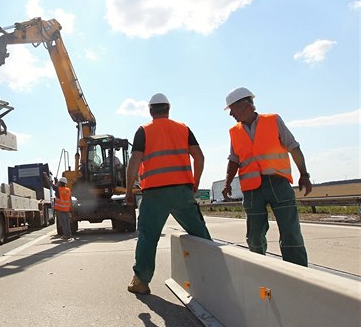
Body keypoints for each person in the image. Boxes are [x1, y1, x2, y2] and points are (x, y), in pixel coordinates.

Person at [125, 93, 212, 295]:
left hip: (154, 194)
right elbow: (199, 156)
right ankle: (216, 273)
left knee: (148, 237)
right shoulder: (183, 128)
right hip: (182, 191)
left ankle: (141, 281)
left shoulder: (143, 131)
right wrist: (195, 181)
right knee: (200, 233)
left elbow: (134, 162)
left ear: (150, 111)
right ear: (168, 109)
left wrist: (129, 190)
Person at [222, 87, 311, 267]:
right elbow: (234, 160)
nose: (230, 113)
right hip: (252, 189)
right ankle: (259, 270)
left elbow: (293, 146)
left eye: (232, 108)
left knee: (290, 232)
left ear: (246, 105)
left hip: (278, 183)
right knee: (254, 235)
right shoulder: (234, 131)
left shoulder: (273, 120)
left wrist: (304, 174)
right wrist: (227, 183)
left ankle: (299, 274)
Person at [43, 172, 73, 240]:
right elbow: (70, 199)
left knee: (63, 223)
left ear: (60, 183)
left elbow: (51, 184)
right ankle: (69, 233)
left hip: (60, 209)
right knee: (67, 222)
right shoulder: (68, 190)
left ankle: (66, 235)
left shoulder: (58, 190)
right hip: (67, 209)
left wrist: (46, 176)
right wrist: (71, 208)